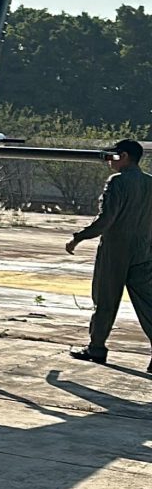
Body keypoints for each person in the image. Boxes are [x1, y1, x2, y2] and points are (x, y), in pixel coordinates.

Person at [68, 140, 152, 367]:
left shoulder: (117, 182)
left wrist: (79, 237)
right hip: (144, 249)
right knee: (148, 303)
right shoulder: (149, 183)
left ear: (123, 156)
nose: (108, 161)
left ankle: (96, 348)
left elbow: (106, 219)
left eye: (111, 157)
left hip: (116, 250)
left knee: (105, 301)